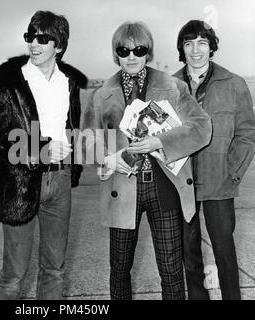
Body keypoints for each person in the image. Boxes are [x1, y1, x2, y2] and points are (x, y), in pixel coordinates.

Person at [82, 21, 211, 300]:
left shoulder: (173, 87)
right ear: (116, 53)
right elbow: (86, 139)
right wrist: (107, 159)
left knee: (171, 270)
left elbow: (202, 126)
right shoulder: (101, 95)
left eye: (138, 50)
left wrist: (161, 142)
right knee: (119, 270)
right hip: (122, 189)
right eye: (124, 50)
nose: (131, 56)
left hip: (164, 187)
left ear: (147, 52)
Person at [0, 10, 87, 300]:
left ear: (60, 46)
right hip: (20, 182)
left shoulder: (69, 83)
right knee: (14, 274)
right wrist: (40, 148)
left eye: (43, 38)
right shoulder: (7, 81)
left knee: (54, 269)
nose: (34, 44)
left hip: (60, 180)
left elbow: (73, 128)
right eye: (30, 36)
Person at [173, 20, 255, 300]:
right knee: (189, 253)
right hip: (182, 185)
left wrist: (232, 172)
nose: (195, 50)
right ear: (181, 49)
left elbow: (246, 133)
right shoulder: (169, 87)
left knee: (224, 251)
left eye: (202, 43)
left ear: (211, 47)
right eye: (188, 43)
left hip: (219, 183)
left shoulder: (233, 84)